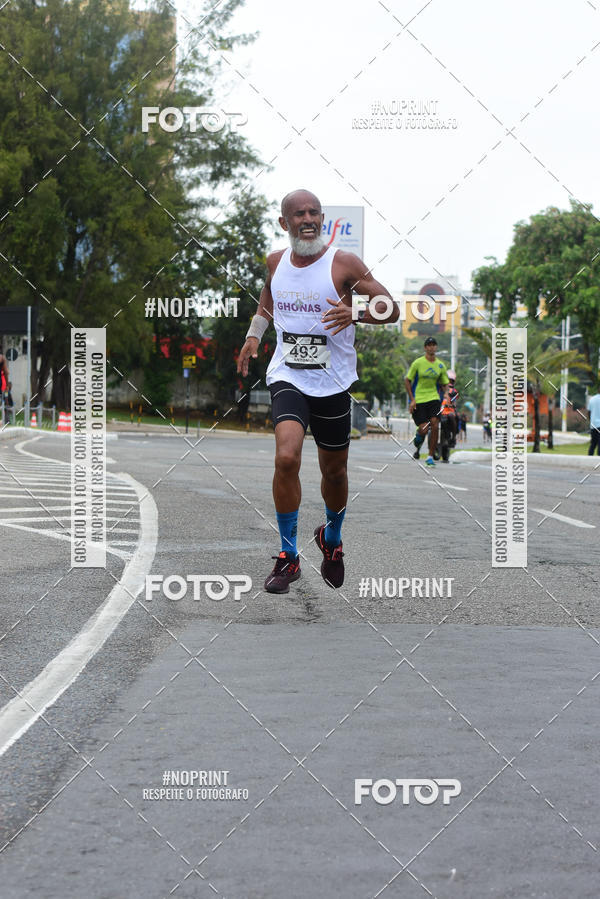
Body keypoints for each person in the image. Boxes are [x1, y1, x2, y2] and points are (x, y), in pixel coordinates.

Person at [236, 189, 398, 594]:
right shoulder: (276, 262)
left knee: (335, 471)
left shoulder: (343, 263)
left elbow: (390, 307)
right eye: (298, 214)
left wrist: (358, 311)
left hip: (333, 381)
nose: (307, 219)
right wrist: (254, 336)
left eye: (314, 213)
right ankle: (288, 556)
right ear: (284, 222)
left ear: (322, 219)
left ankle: (332, 537)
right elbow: (268, 298)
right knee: (286, 456)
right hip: (288, 374)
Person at [404, 337, 449, 467]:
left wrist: (446, 393)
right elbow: (407, 380)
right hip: (419, 399)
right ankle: (418, 437)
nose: (431, 347)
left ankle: (430, 456)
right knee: (423, 429)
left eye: (434, 345)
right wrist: (412, 400)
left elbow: (445, 382)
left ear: (436, 347)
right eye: (429, 345)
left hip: (434, 398)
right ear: (425, 348)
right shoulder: (418, 363)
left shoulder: (440, 365)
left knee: (435, 425)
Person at [587, 385, 600, 456]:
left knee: (593, 443)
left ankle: (589, 458)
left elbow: (589, 412)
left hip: (594, 425)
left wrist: (591, 421)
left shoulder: (592, 399)